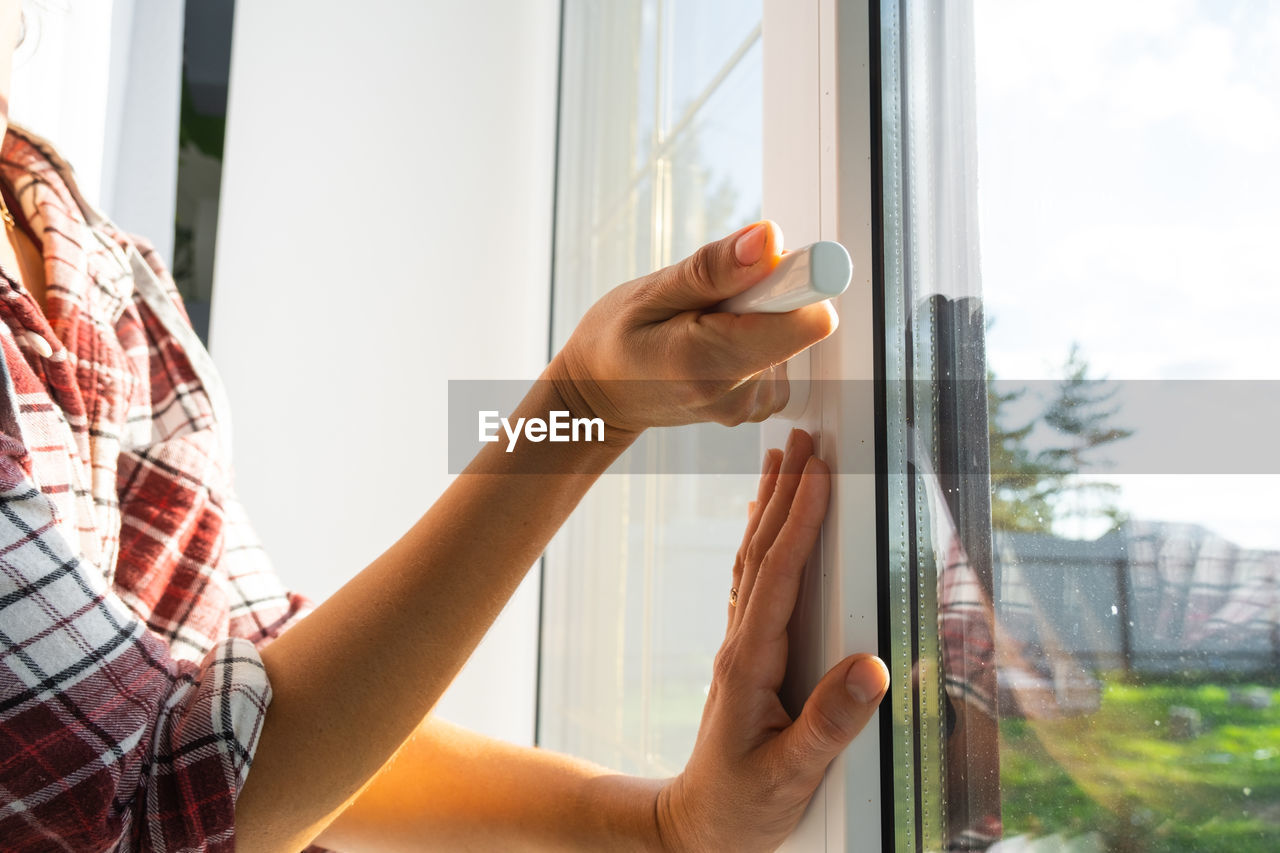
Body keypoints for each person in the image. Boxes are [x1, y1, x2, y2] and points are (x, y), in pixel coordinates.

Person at [0, 4, 889, 850]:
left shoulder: (72, 231)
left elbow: (258, 705)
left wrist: (667, 826)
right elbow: (152, 808)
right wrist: (582, 407)